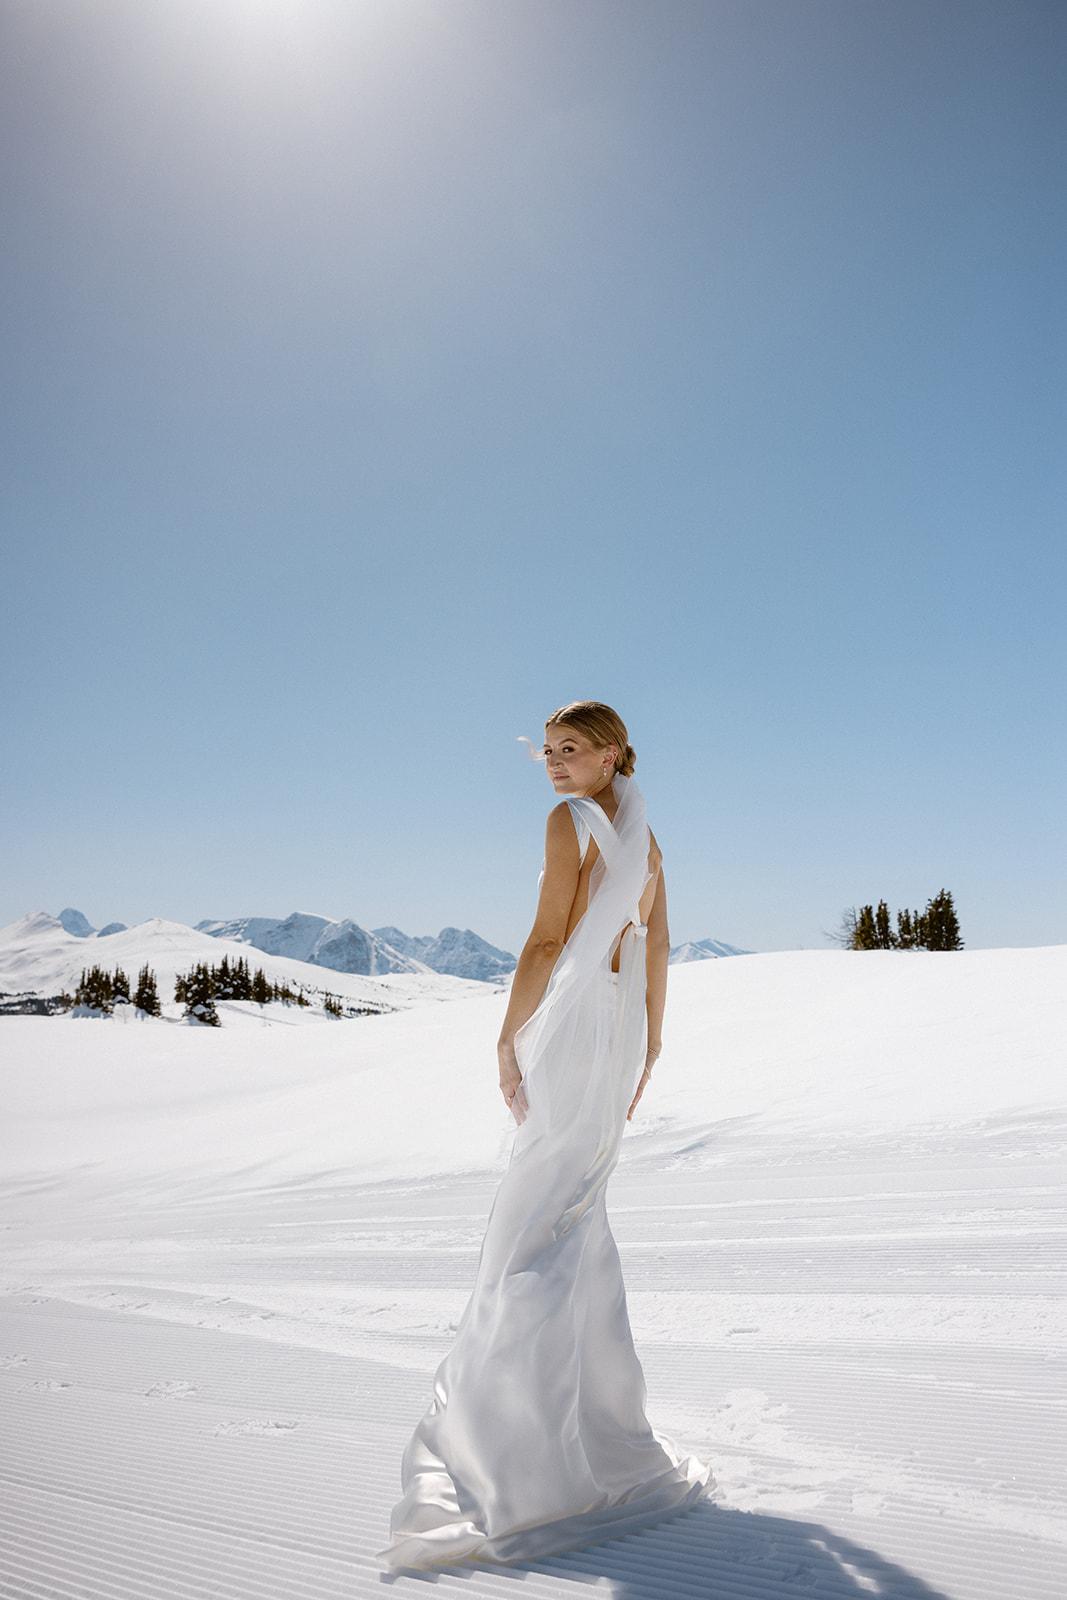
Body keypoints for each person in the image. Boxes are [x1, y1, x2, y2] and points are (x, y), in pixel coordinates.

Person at [376, 700, 716, 1571]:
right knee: (573, 1214)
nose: (556, 765)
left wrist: (506, 1039)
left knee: (533, 1224)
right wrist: (652, 1040)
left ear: (610, 756)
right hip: (621, 1026)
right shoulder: (646, 834)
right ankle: (591, 1429)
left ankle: (522, 1453)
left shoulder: (570, 823)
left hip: (569, 1028)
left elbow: (542, 943)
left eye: (572, 750)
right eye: (549, 752)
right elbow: (659, 943)